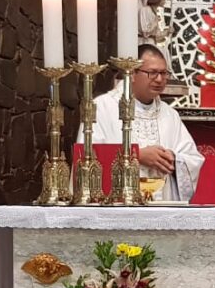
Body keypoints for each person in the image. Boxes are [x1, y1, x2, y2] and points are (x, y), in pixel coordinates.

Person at [80, 44, 204, 201]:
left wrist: (173, 158)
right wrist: (137, 155)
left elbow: (193, 159)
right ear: (131, 73)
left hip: (160, 212)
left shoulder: (170, 115)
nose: (159, 79)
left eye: (163, 73)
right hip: (117, 210)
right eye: (152, 73)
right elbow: (86, 158)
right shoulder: (102, 107)